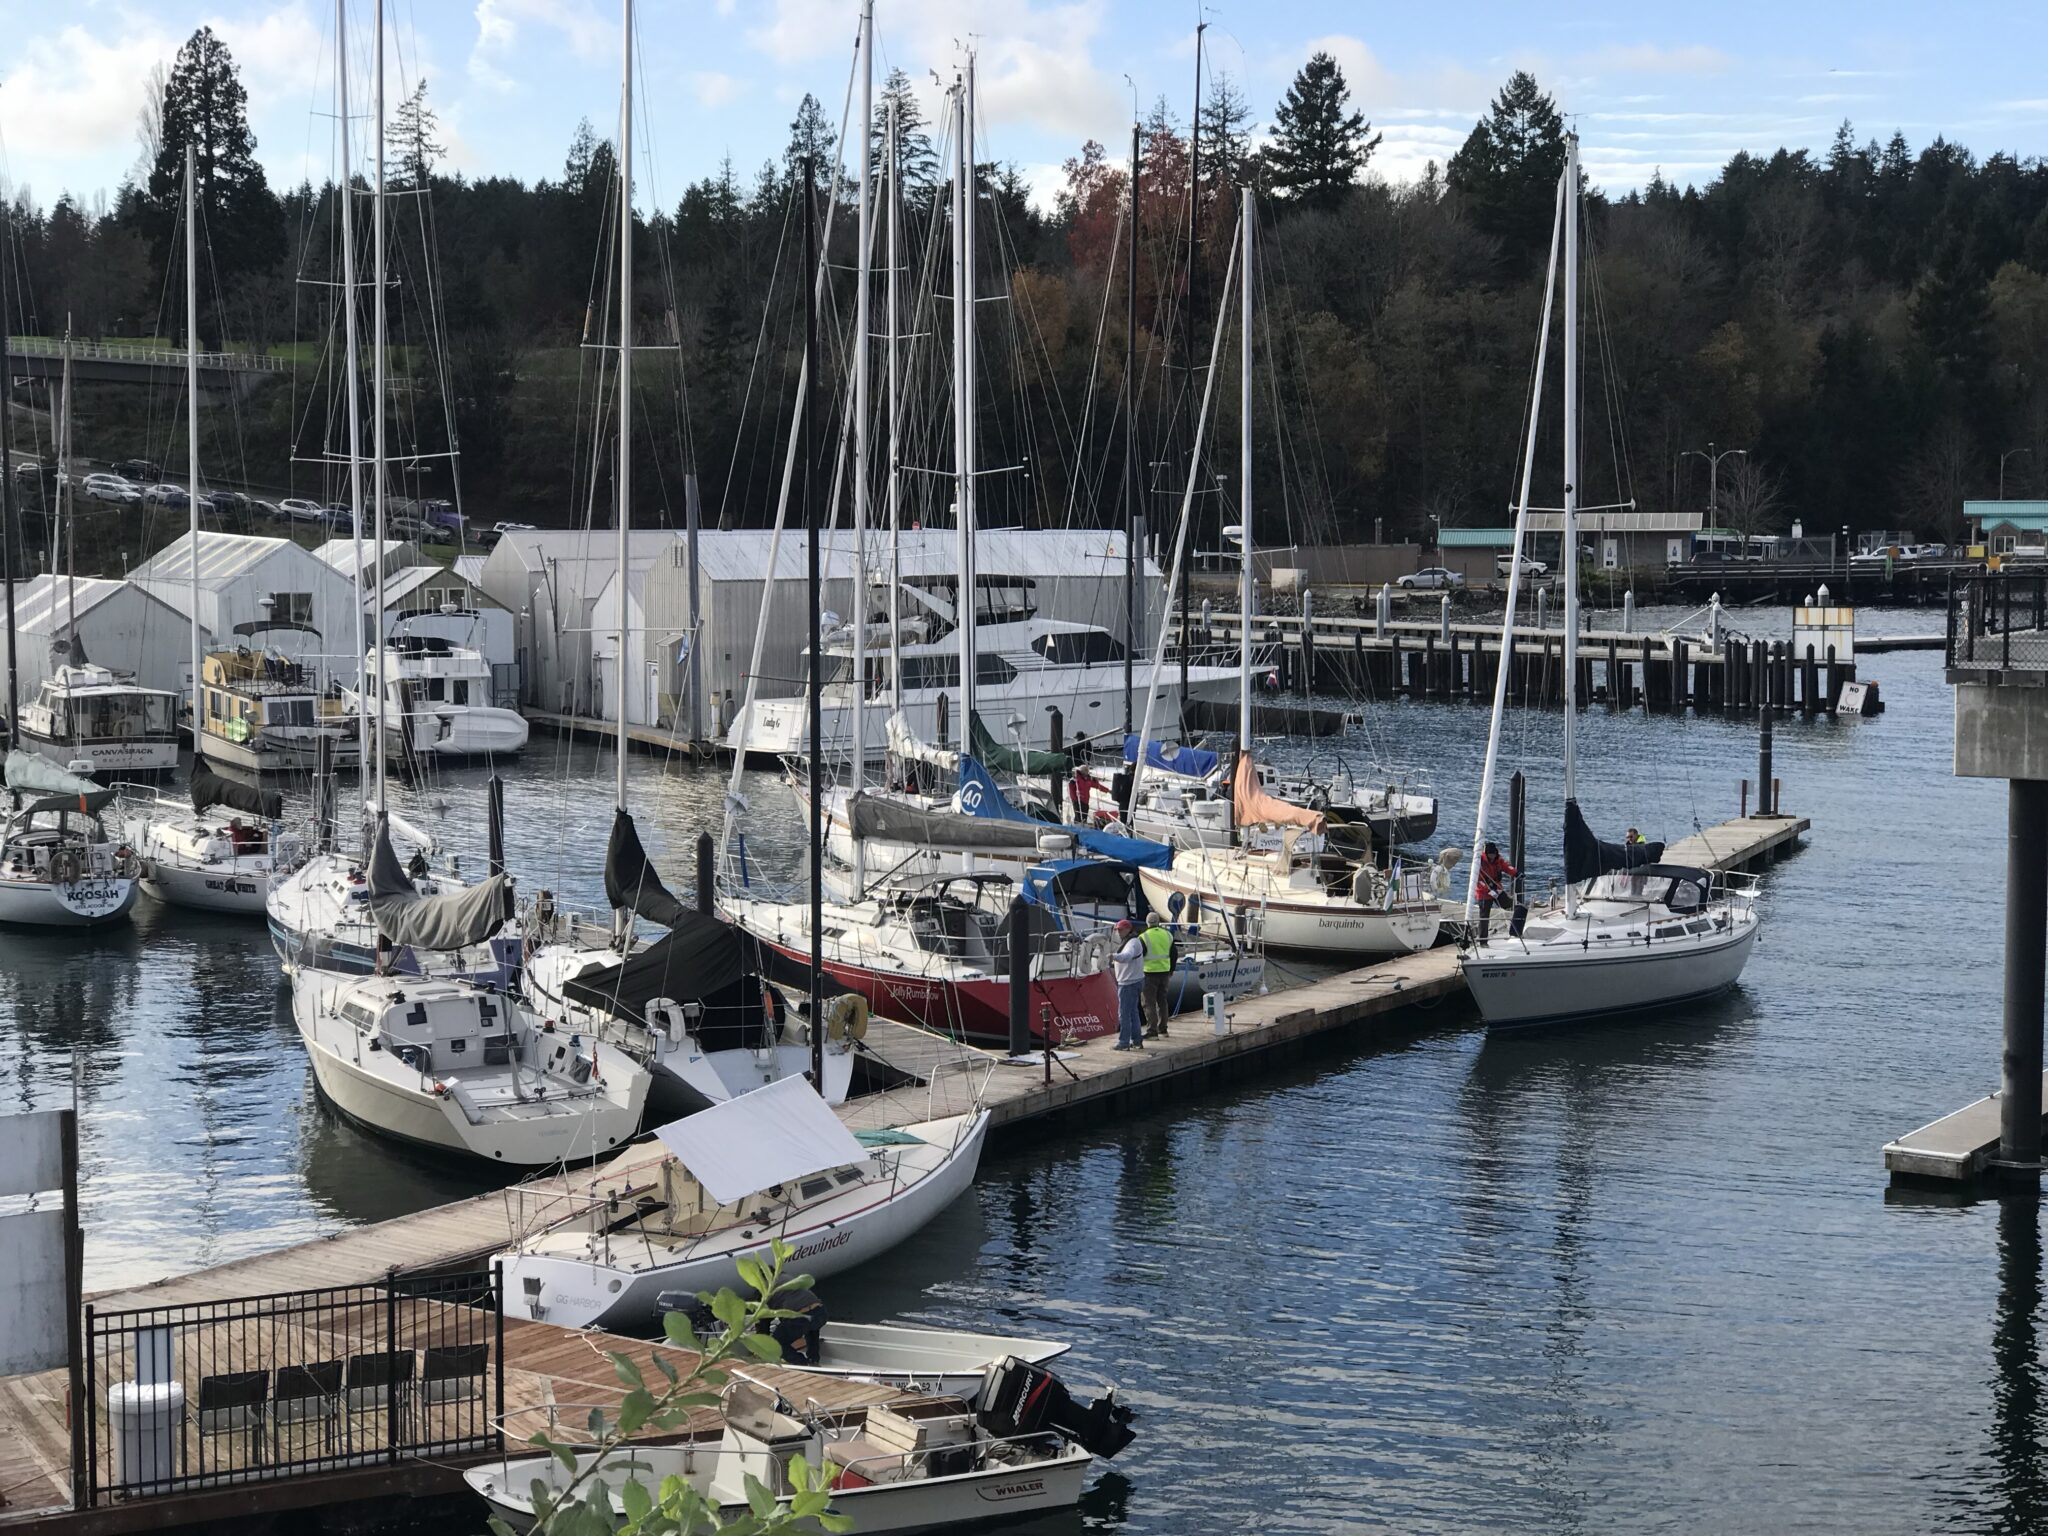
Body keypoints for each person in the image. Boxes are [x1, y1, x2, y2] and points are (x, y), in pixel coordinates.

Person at [1110, 919, 1147, 1051]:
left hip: (1128, 983)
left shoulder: (1132, 943)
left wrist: (1113, 956)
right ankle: (1136, 1041)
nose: (1119, 932)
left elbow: (1127, 956)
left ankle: (1124, 1042)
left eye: (1121, 930)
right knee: (1133, 1012)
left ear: (1128, 930)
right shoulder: (1133, 941)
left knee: (1124, 1014)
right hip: (1134, 980)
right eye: (1117, 930)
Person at [1474, 841, 1518, 942]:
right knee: (1484, 917)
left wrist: (1516, 873)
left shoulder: (1499, 860)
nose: (1492, 856)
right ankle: (1483, 940)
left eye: (1493, 854)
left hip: (1497, 889)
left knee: (1510, 904)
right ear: (1486, 853)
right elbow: (1478, 881)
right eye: (1490, 854)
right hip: (1483, 893)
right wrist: (1489, 889)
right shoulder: (1479, 862)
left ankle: (1515, 928)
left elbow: (1507, 867)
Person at [1141, 912, 1175, 1038]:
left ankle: (1152, 1031)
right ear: (1158, 922)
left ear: (1147, 923)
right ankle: (1163, 1029)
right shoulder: (1168, 935)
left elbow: (1139, 956)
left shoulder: (1143, 937)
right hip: (1165, 972)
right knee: (1162, 1001)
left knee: (1149, 1002)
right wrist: (1171, 970)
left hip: (1149, 973)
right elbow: (1174, 954)